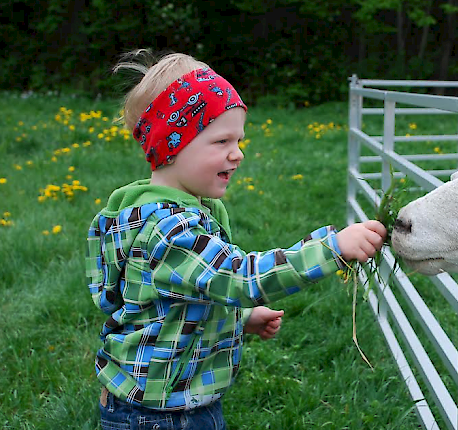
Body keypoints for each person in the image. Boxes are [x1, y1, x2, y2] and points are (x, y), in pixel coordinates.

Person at [86, 49, 386, 430]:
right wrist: (332, 248)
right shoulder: (170, 230)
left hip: (178, 400)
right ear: (172, 144)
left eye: (239, 139)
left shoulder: (179, 212)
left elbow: (183, 295)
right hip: (156, 415)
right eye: (221, 141)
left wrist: (239, 319)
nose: (238, 153)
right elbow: (239, 277)